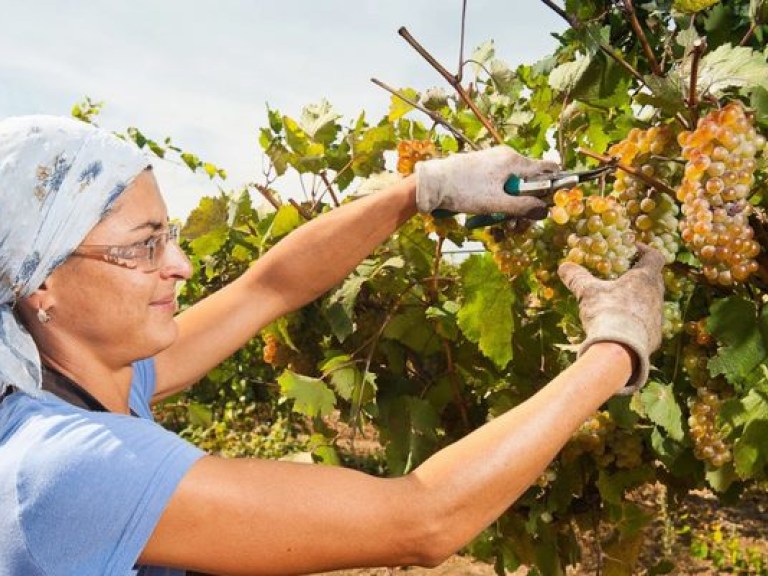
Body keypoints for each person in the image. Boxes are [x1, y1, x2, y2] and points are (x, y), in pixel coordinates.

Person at [0, 115, 664, 576]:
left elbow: (269, 288)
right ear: (42, 282)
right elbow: (422, 521)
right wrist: (614, 347)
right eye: (144, 244)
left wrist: (421, 190)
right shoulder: (75, 468)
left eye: (170, 235)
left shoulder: (73, 380)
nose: (179, 264)